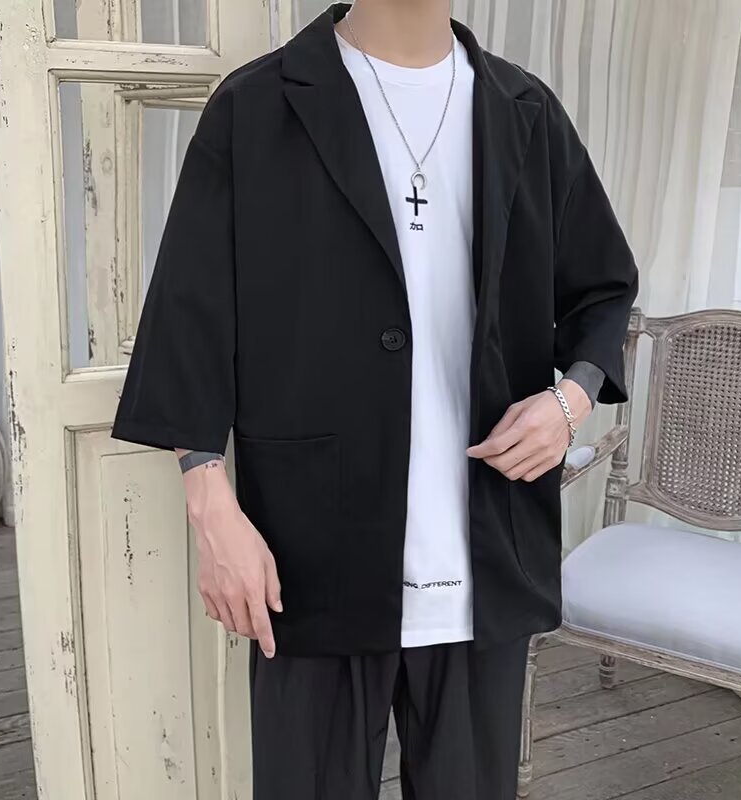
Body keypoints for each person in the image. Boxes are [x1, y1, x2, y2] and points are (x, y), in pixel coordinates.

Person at [112, 1, 638, 797]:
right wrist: (211, 508)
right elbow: (190, 316)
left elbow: (604, 287)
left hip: (485, 558)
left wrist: (570, 401)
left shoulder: (525, 111)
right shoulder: (258, 107)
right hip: (311, 556)